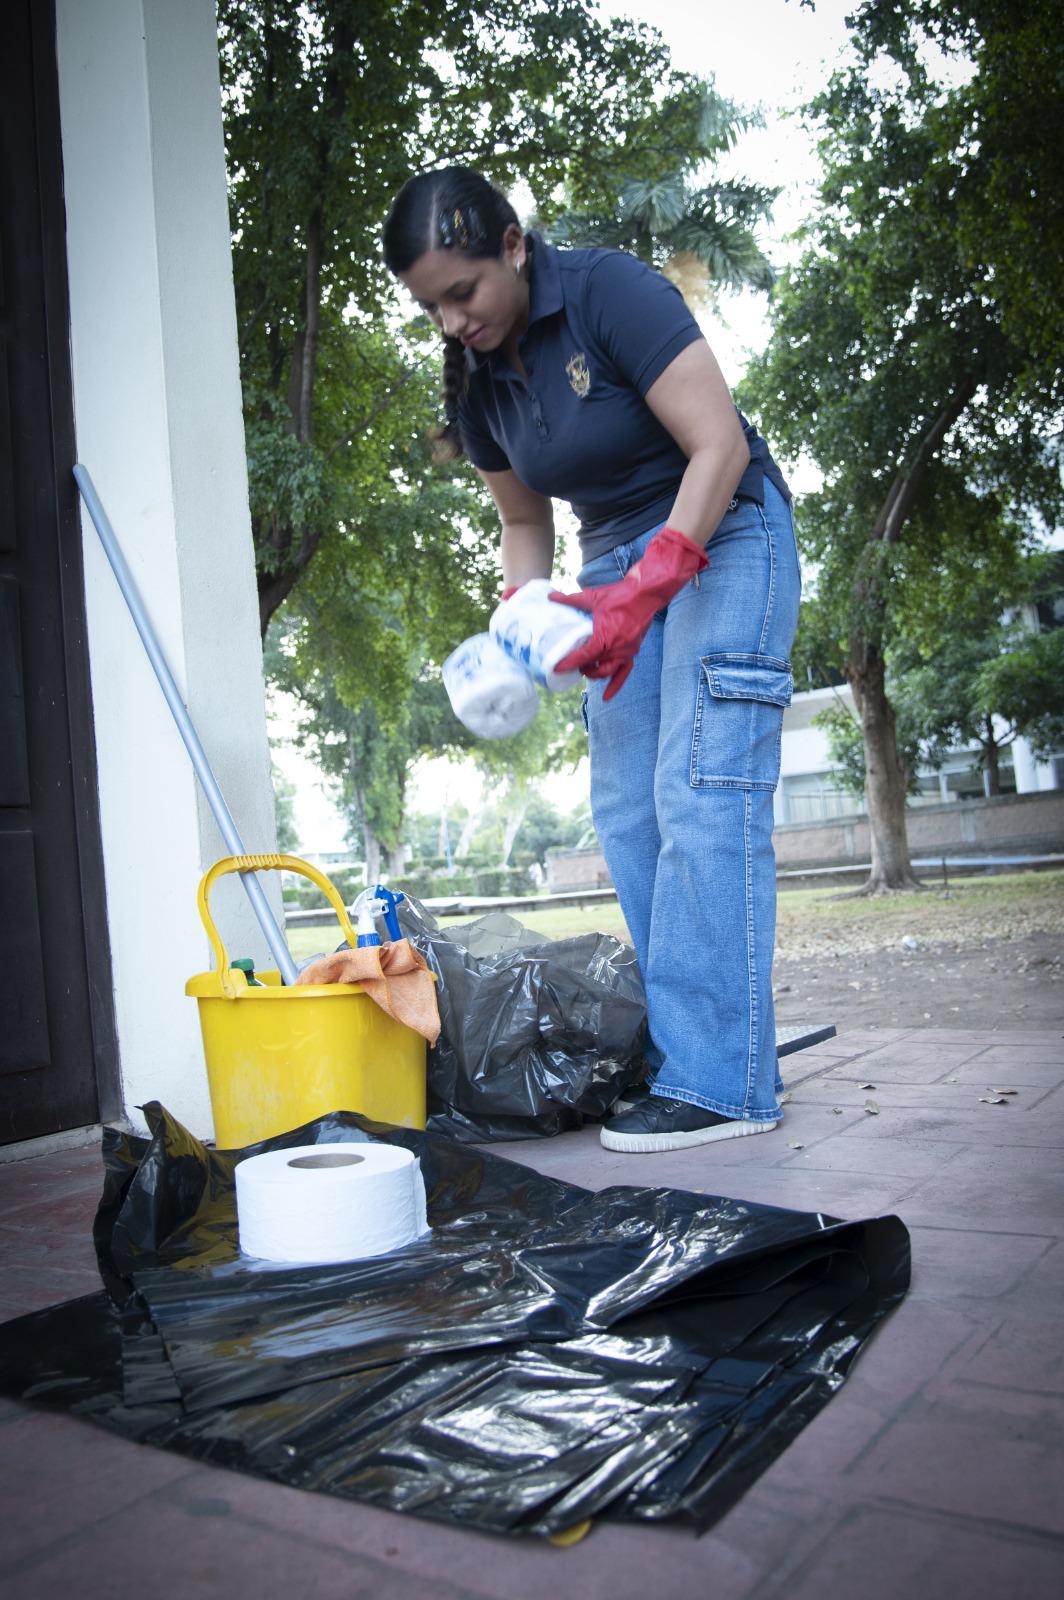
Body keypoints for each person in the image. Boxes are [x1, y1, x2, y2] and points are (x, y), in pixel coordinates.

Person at [383, 166, 800, 1153]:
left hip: (725, 531)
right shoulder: (480, 382)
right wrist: (517, 632)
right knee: (623, 814)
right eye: (430, 306)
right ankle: (690, 1059)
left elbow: (719, 447)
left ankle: (721, 1082)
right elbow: (523, 522)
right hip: (611, 566)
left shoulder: (611, 291)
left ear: (513, 248)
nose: (451, 321)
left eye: (462, 292)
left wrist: (648, 586)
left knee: (699, 790)